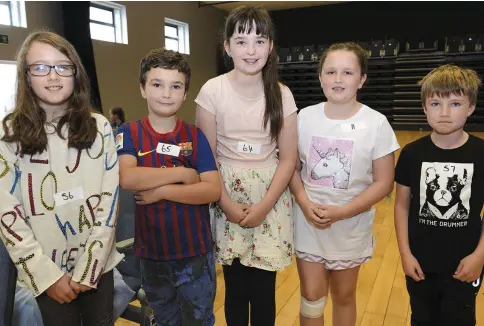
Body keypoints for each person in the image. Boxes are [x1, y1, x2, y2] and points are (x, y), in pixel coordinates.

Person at [0, 31, 123, 325]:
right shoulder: (9, 134)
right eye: (40, 67)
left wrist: (89, 269)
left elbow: (109, 202)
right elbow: (8, 214)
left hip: (98, 269)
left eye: (62, 67)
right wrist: (46, 276)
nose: (53, 76)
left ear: (75, 73)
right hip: (47, 276)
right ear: (27, 76)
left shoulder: (99, 127)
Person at [195, 6, 298, 326]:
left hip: (270, 197)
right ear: (227, 47)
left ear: (270, 47)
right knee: (235, 289)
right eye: (241, 41)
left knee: (264, 293)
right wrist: (224, 202)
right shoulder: (212, 91)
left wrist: (266, 205)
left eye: (259, 40)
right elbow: (205, 158)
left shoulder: (281, 94)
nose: (251, 50)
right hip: (224, 195)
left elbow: (289, 158)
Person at [290, 42, 399, 326]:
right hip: (308, 222)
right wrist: (303, 201)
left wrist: (342, 212)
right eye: (331, 71)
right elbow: (292, 167)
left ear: (362, 79)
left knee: (344, 295)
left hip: (350, 226)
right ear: (320, 77)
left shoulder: (376, 123)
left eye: (348, 72)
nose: (338, 79)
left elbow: (384, 182)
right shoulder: (303, 118)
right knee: (311, 296)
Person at [116, 48, 220, 326]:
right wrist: (184, 174)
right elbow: (127, 178)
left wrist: (161, 191)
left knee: (198, 321)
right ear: (142, 88)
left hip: (195, 255)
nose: (166, 94)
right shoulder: (129, 133)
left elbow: (211, 190)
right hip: (152, 256)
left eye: (176, 86)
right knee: (163, 321)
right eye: (157, 84)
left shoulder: (194, 136)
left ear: (185, 94)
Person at [394, 64, 484, 326]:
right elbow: (401, 206)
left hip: (465, 265)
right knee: (421, 318)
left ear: (470, 107)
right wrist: (405, 254)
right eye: (435, 104)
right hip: (420, 265)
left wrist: (479, 256)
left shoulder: (481, 153)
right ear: (424, 107)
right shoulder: (411, 153)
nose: (444, 113)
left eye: (455, 104)